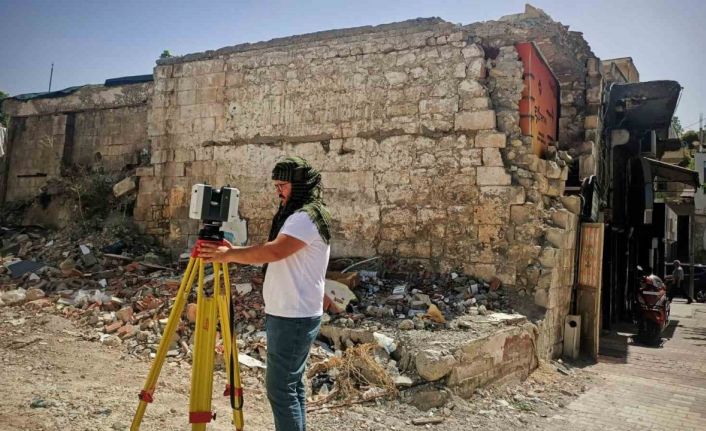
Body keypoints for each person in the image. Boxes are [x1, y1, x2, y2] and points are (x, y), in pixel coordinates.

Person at [198, 156, 331, 431]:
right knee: (291, 387)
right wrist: (230, 250)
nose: (278, 191)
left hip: (293, 315)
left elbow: (273, 251)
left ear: (300, 184)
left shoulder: (305, 217)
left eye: (283, 185)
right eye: (276, 185)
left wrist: (229, 255)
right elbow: (274, 251)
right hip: (290, 312)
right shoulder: (302, 215)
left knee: (280, 389)